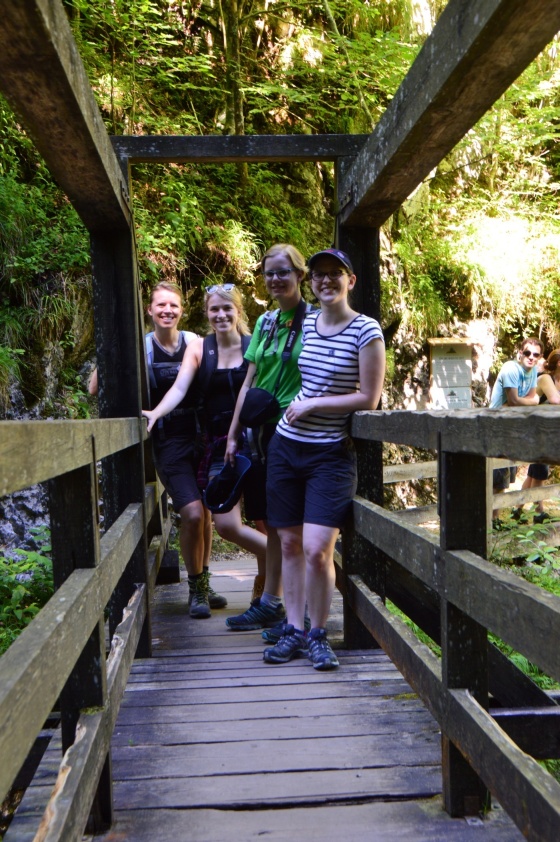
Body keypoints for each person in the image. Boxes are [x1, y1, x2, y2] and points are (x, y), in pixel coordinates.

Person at [262, 248, 385, 670]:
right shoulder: (306, 322)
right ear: (310, 282)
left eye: (335, 274)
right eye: (318, 275)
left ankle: (319, 632)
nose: (325, 281)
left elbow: (368, 397)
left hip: (330, 453)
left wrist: (314, 405)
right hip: (285, 445)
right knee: (291, 543)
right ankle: (294, 630)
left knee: (318, 548)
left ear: (351, 280)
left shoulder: (366, 330)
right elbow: (267, 341)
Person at [142, 284, 267, 604]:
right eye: (214, 309)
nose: (221, 314)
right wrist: (156, 412)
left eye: (228, 308)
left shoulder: (255, 346)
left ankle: (266, 594)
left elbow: (268, 390)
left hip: (256, 444)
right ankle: (291, 558)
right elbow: (180, 387)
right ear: (206, 314)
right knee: (225, 522)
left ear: (239, 311)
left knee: (266, 522)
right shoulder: (200, 348)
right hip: (217, 446)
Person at [224, 243, 314, 634]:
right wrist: (233, 434)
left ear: (300, 275)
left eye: (283, 272)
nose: (275, 279)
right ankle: (272, 603)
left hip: (300, 432)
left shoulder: (315, 321)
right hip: (263, 434)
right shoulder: (265, 323)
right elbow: (250, 380)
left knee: (301, 526)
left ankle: (305, 610)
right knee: (274, 524)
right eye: (269, 273)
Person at [141, 281, 221, 619]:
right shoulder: (142, 348)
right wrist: (113, 353)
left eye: (173, 305)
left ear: (182, 311)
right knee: (190, 513)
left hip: (203, 436)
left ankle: (203, 581)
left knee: (206, 514)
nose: (167, 311)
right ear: (149, 310)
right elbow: (95, 387)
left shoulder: (195, 343)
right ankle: (196, 586)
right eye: (160, 305)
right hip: (169, 438)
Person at [489, 336, 543, 522]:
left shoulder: (533, 370)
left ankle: (495, 519)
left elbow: (529, 399)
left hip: (511, 426)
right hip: (497, 424)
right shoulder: (511, 368)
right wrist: (530, 402)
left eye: (535, 354)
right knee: (496, 474)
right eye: (527, 352)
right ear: (520, 353)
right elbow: (514, 400)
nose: (531, 357)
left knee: (505, 475)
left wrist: (527, 402)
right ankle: (490, 519)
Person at [514, 348, 560, 524]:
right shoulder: (545, 379)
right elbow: (555, 401)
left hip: (549, 434)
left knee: (534, 474)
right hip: (537, 433)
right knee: (540, 473)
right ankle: (539, 512)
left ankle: (517, 510)